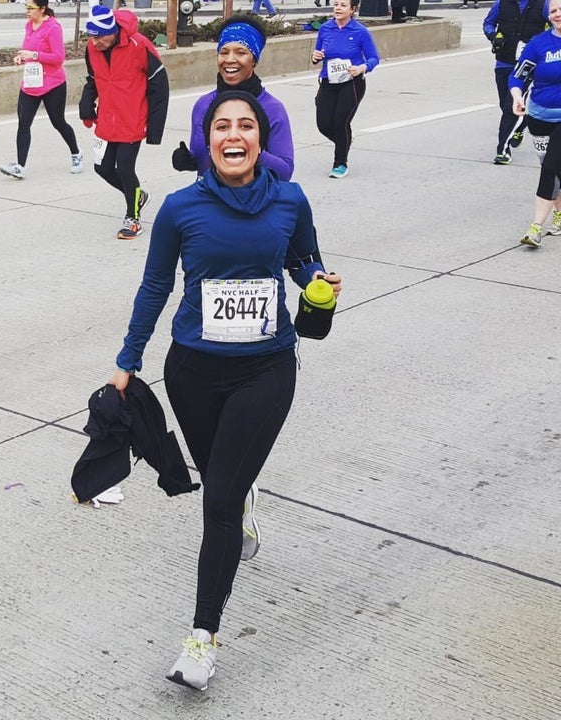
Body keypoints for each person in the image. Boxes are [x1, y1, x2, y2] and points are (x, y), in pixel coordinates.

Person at [108, 91, 342, 691]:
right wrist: (127, 361)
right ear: (207, 140)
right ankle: (239, 498)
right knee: (220, 482)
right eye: (221, 126)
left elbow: (303, 259)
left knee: (216, 505)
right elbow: (155, 286)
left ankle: (201, 640)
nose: (233, 135)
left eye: (245, 126)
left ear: (261, 139)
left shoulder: (290, 198)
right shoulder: (180, 209)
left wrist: (316, 279)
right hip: (192, 372)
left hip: (265, 370)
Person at [79, 5, 169, 240]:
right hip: (107, 118)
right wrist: (86, 106)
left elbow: (160, 87)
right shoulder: (92, 48)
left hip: (133, 118)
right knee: (103, 168)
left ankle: (133, 218)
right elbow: (92, 79)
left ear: (113, 30)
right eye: (91, 36)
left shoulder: (139, 45)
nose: (94, 42)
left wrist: (155, 128)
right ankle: (137, 195)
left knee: (126, 169)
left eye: (99, 36)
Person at [172, 15, 294, 181]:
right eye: (224, 52)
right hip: (210, 201)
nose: (229, 60)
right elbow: (204, 160)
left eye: (240, 52)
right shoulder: (203, 105)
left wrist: (251, 151)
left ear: (254, 60)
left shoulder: (272, 108)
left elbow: (285, 172)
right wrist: (190, 160)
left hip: (254, 202)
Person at [0, 0, 83, 180]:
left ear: (42, 9)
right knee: (23, 123)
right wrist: (22, 58)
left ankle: (76, 153)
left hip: (53, 83)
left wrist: (34, 55)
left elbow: (58, 58)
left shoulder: (53, 28)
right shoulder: (29, 25)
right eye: (26, 8)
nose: (27, 12)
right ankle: (20, 166)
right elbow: (29, 50)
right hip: (31, 82)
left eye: (31, 8)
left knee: (58, 122)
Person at [509, 0, 561, 247]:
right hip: (539, 115)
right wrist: (517, 97)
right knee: (555, 168)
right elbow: (518, 75)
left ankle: (536, 227)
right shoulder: (539, 44)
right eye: (553, 11)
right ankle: (559, 214)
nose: (558, 14)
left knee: (550, 166)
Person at [312, 0, 379, 179]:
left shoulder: (360, 32)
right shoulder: (325, 28)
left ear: (352, 10)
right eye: (336, 4)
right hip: (328, 81)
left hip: (352, 83)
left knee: (341, 122)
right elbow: (318, 53)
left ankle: (340, 163)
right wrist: (315, 56)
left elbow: (374, 58)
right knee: (324, 124)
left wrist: (362, 68)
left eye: (343, 5)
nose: (338, 8)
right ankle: (345, 139)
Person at [483, 0, 547, 164]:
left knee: (509, 107)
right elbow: (488, 23)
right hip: (504, 62)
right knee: (504, 103)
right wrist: (493, 35)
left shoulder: (543, 4)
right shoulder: (501, 4)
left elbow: (554, 25)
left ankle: (503, 151)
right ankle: (520, 125)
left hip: (528, 65)